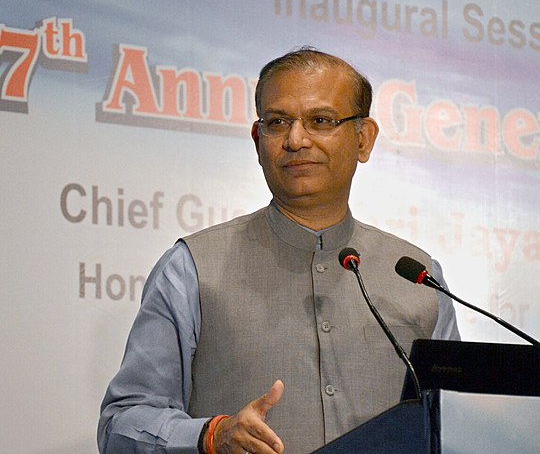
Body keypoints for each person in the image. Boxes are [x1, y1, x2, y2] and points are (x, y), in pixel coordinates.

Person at [98, 47, 460, 454]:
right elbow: (122, 424)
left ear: (363, 139)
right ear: (258, 140)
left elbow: (460, 425)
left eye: (320, 121)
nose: (295, 139)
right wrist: (211, 436)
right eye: (277, 122)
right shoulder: (192, 270)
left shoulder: (419, 280)